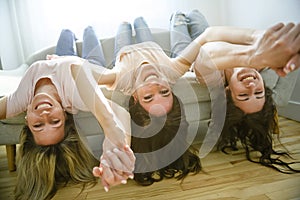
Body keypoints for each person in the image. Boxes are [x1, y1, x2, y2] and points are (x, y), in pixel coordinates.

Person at [0, 26, 135, 199]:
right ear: (64, 114)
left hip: (56, 60)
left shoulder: (20, 99)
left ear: (27, 120)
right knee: (89, 33)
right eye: (54, 121)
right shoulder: (75, 97)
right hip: (92, 66)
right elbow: (77, 70)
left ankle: (70, 33)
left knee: (65, 33)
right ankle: (87, 29)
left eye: (38, 125)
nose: (44, 114)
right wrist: (119, 145)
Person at [168, 10, 300, 173]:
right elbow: (210, 33)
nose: (252, 86)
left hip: (187, 52)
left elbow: (206, 51)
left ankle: (177, 16)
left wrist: (254, 54)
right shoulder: (262, 65)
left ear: (227, 91)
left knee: (179, 21)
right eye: (259, 93)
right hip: (215, 37)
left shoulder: (213, 79)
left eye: (244, 95)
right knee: (196, 15)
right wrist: (261, 40)